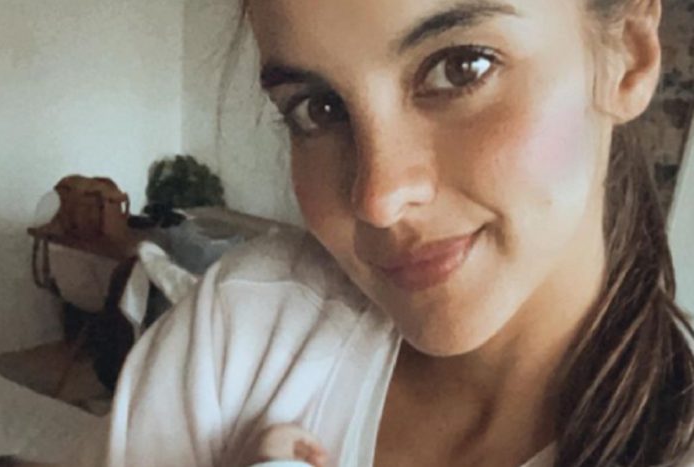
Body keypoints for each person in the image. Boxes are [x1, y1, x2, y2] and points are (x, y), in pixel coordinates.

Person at [60, 0, 694, 465]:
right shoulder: (244, 330)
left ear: (629, 55)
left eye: (461, 67)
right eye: (317, 109)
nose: (379, 200)